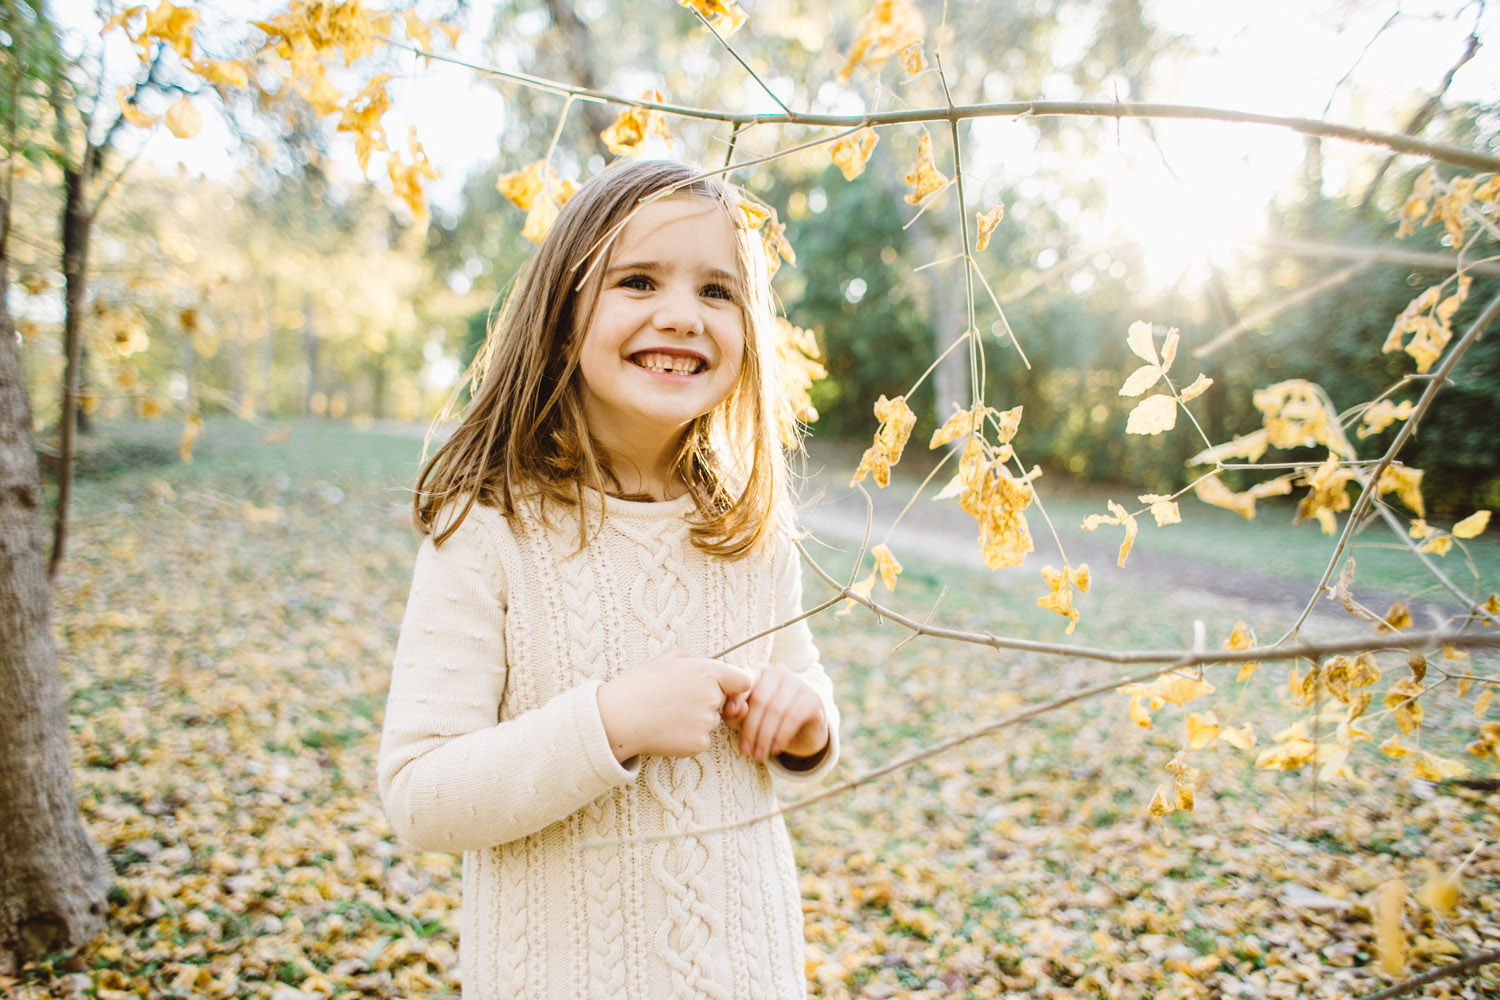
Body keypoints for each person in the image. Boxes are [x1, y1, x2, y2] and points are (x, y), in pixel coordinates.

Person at [377, 157, 839, 1000]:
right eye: (637, 281)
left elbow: (800, 683)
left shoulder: (748, 532)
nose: (681, 316)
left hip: (746, 974)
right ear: (563, 318)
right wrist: (609, 723)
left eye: (716, 291)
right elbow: (420, 794)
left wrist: (807, 722)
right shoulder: (489, 531)